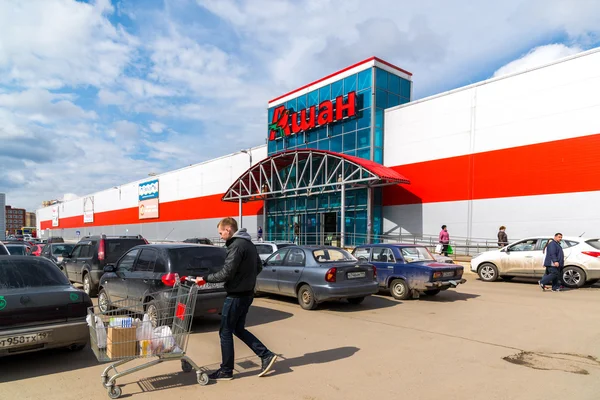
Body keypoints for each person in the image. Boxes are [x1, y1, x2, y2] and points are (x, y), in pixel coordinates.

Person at [195, 217, 277, 381]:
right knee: (237, 329)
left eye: (221, 232)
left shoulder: (236, 246)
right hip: (247, 294)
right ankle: (266, 355)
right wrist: (246, 279)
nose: (220, 236)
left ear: (228, 229)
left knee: (225, 331)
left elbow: (226, 272)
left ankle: (226, 370)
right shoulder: (249, 245)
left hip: (236, 296)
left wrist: (205, 278)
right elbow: (258, 267)